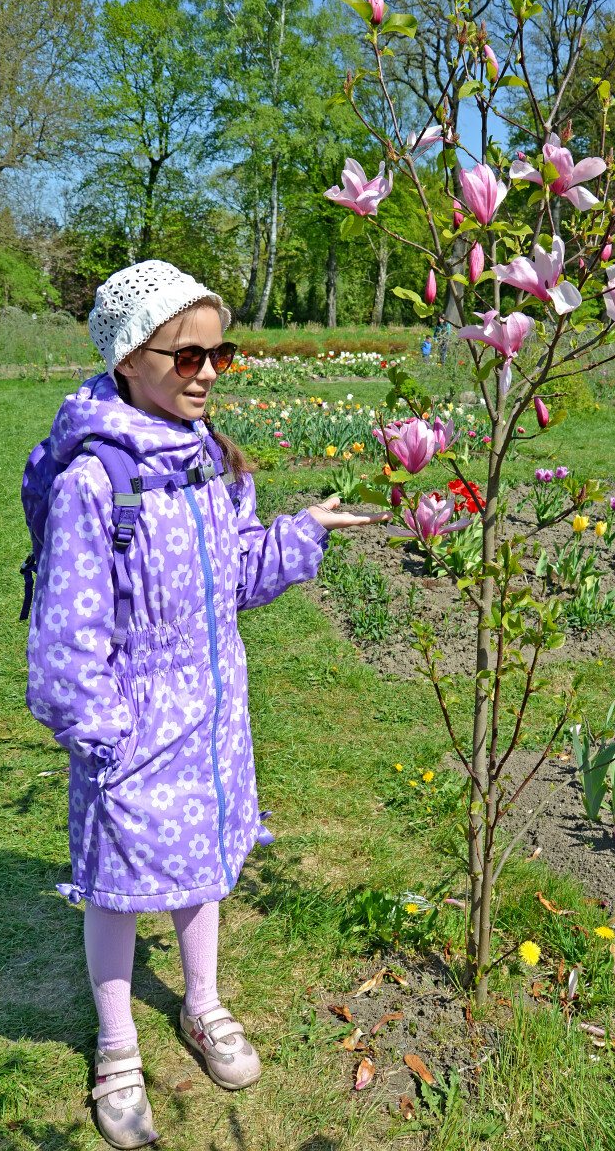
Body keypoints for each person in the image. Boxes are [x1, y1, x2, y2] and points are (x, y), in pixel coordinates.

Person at [25, 260, 386, 1148]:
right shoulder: (93, 483)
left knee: (203, 866)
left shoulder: (214, 462)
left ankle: (204, 1006)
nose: (209, 372)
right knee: (116, 888)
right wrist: (103, 735)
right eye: (185, 357)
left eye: (219, 352)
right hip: (133, 727)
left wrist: (299, 535)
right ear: (127, 360)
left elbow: (235, 582)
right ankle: (117, 1050)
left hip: (215, 717)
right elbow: (66, 639)